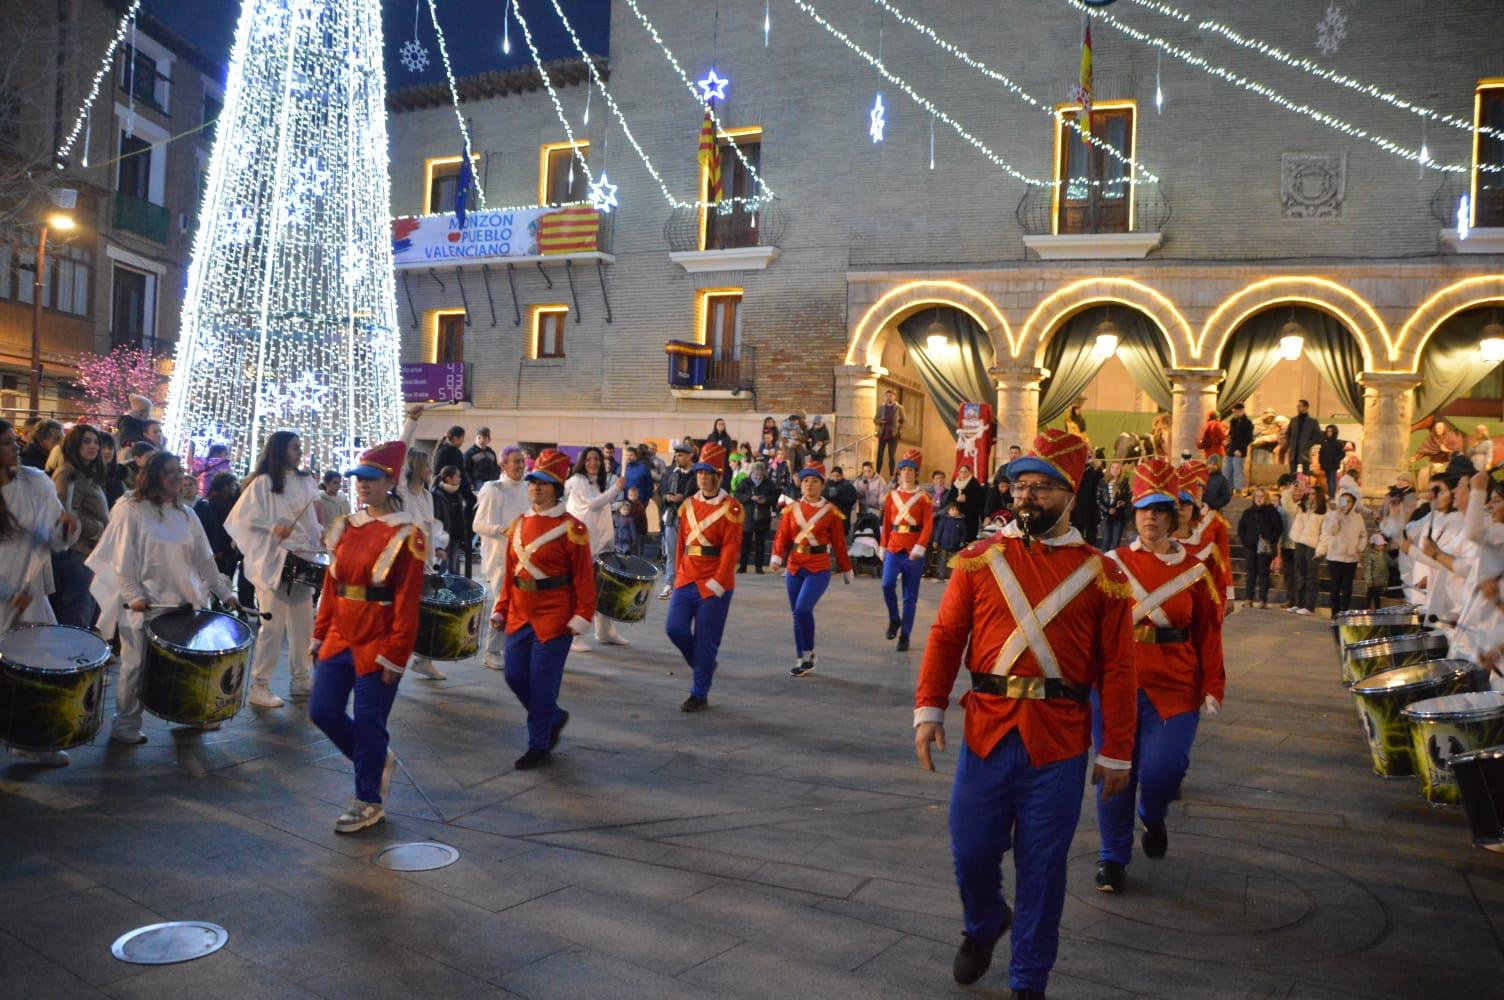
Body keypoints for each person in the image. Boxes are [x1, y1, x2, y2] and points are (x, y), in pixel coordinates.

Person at [913, 429, 1136, 996]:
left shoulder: (1103, 575)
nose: (1026, 496)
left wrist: (1116, 752)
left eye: (1041, 487)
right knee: (970, 850)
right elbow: (944, 637)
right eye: (1019, 485)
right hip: (987, 730)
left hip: (1059, 742)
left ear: (1070, 493)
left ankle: (1029, 979)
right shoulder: (977, 560)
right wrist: (929, 707)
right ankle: (986, 922)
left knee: (1043, 869)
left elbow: (1118, 670)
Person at [1095, 457, 1223, 894]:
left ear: (1173, 516)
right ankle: (1112, 857)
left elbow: (1208, 630)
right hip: (1115, 685)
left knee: (1164, 772)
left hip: (1176, 684)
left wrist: (1213, 684)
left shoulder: (1195, 570)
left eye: (1159, 509)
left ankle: (1152, 815)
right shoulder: (1109, 565)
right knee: (1114, 773)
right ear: (1134, 515)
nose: (1150, 517)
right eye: (1143, 509)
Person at [309, 439, 426, 833]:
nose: (362, 485)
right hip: (340, 634)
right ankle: (376, 760)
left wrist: (396, 654)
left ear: (389, 481)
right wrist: (319, 633)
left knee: (370, 719)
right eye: (358, 478)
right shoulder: (346, 525)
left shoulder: (407, 533)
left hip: (378, 639)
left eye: (371, 479)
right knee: (322, 711)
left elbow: (408, 600)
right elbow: (332, 584)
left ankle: (367, 800)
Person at [88, 451, 238, 745]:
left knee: (191, 666)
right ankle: (126, 723)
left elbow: (205, 561)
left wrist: (226, 592)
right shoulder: (131, 508)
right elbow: (122, 559)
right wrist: (133, 596)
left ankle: (194, 712)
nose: (177, 476)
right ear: (153, 475)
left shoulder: (187, 513)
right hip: (144, 605)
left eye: (179, 470)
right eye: (169, 471)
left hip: (183, 603)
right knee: (135, 666)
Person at [487, 449, 596, 769]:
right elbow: (511, 574)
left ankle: (539, 743)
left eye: (544, 482)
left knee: (542, 682)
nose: (535, 487)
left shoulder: (572, 529)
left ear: (556, 487)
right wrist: (501, 609)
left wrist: (583, 614)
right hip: (520, 613)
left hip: (556, 615)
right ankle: (553, 716)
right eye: (533, 481)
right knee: (514, 674)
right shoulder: (518, 524)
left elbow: (584, 578)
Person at [226, 430, 325, 707]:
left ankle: (301, 678)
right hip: (274, 560)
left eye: (300, 447)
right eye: (295, 447)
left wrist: (321, 535)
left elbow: (313, 520)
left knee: (304, 624)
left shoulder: (306, 481)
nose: (300, 452)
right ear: (280, 449)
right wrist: (273, 528)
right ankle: (260, 685)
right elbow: (241, 520)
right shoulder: (263, 483)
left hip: (303, 560)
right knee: (272, 627)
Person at [665, 442, 744, 711]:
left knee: (706, 640)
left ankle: (699, 692)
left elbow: (731, 548)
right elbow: (681, 544)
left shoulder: (731, 507)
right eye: (699, 472)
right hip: (686, 578)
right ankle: (702, 663)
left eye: (708, 473)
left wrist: (720, 579)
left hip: (714, 583)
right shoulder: (687, 505)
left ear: (718, 475)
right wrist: (676, 575)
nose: (703, 477)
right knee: (674, 628)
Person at [770, 463, 852, 676]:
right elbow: (782, 536)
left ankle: (807, 653)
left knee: (802, 609)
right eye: (806, 481)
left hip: (818, 567)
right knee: (797, 613)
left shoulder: (831, 512)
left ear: (822, 485)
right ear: (801, 484)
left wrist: (846, 568)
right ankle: (803, 657)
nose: (809, 485)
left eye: (814, 481)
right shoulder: (791, 509)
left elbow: (839, 543)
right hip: (795, 565)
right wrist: (777, 556)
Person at [473, 445, 530, 670]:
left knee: (521, 602)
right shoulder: (493, 489)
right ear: (503, 464)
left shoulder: (527, 488)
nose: (519, 466)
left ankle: (513, 647)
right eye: (514, 461)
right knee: (502, 602)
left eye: (521, 461)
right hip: (499, 555)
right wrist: (502, 529)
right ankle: (491, 650)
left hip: (523, 555)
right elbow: (477, 524)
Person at [564, 446, 627, 649]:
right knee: (584, 591)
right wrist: (616, 489)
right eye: (589, 459)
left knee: (605, 588)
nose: (594, 463)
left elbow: (600, 508)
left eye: (597, 459)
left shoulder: (596, 482)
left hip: (601, 544)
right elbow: (592, 505)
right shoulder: (577, 481)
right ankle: (575, 636)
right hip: (585, 545)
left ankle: (605, 631)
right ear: (582, 461)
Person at [49, 424, 110, 629]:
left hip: (89, 553)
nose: (93, 446)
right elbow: (64, 516)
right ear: (74, 444)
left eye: (96, 442)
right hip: (75, 553)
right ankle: (71, 658)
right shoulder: (68, 474)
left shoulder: (86, 475)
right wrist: (100, 529)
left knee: (88, 610)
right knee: (76, 614)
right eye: (86, 441)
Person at [881, 449, 934, 652]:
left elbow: (928, 525)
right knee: (886, 585)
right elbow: (886, 523)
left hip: (913, 550)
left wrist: (920, 548)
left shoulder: (924, 498)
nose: (906, 473)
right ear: (899, 472)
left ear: (916, 473)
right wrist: (883, 546)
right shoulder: (891, 496)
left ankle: (905, 635)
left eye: (910, 469)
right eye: (903, 469)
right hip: (894, 547)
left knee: (910, 596)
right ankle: (894, 619)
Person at [1173, 462, 1236, 614]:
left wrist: (1229, 593)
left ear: (1204, 488)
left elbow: (1224, 559)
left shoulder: (1216, 522)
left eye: (1198, 485)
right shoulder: (1171, 517)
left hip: (1205, 588)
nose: (1194, 489)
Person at [657, 442, 697, 596]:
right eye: (676, 454)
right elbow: (662, 492)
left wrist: (683, 498)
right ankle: (669, 583)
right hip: (672, 517)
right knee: (671, 551)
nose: (677, 457)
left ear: (689, 456)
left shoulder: (696, 473)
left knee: (689, 552)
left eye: (681, 455)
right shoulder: (671, 473)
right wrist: (667, 497)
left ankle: (686, 582)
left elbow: (699, 495)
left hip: (690, 519)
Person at [1321, 487, 1366, 616]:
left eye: (1348, 501)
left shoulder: (1358, 517)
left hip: (1351, 558)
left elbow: (1363, 535)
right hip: (1335, 557)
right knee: (1335, 586)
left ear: (1353, 503)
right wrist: (1337, 515)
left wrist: (1360, 547)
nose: (1345, 503)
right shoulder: (1332, 514)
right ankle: (1334, 612)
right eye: (1343, 500)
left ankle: (1344, 611)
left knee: (1347, 587)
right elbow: (1330, 531)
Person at [1237, 487, 1282, 608]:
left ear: (1266, 498)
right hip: (1250, 547)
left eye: (1261, 496)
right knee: (1251, 573)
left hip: (1264, 547)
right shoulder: (1248, 513)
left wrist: (1270, 539)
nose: (1259, 498)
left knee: (1263, 573)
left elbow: (1278, 529)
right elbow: (1241, 529)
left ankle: (1263, 600)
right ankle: (1249, 598)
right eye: (1257, 496)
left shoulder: (1272, 512)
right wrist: (1246, 541)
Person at [1288, 487, 1326, 616]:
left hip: (1313, 546)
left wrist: (1320, 550)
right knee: (1300, 575)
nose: (1311, 496)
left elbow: (1325, 533)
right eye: (1309, 494)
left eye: (1314, 494)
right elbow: (1287, 504)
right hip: (1299, 543)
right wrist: (1291, 489)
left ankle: (1309, 606)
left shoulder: (1324, 511)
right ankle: (1299, 604)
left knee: (1311, 577)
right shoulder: (1301, 508)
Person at [735, 460, 776, 573]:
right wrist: (748, 498)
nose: (758, 477)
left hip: (762, 516)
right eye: (756, 475)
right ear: (751, 473)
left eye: (760, 475)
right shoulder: (744, 482)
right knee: (745, 543)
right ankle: (743, 566)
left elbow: (774, 497)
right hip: (747, 516)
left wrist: (765, 500)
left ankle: (759, 567)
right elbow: (737, 495)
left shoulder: (769, 484)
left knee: (760, 543)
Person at [432, 466, 468, 575]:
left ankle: (452, 591)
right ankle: (438, 590)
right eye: (457, 476)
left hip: (456, 536)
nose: (459, 479)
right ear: (448, 478)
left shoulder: (457, 494)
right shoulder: (436, 495)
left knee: (453, 568)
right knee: (441, 568)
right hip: (443, 537)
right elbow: (436, 518)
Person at [946, 464, 987, 543]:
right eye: (961, 472)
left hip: (970, 517)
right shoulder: (955, 484)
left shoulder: (974, 484)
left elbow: (980, 500)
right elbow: (949, 500)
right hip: (956, 516)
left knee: (969, 539)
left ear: (969, 473)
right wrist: (956, 499)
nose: (963, 474)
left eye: (965, 472)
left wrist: (966, 499)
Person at [1097, 460, 1131, 552]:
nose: (1115, 470)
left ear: (1121, 470)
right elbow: (1098, 499)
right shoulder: (1102, 482)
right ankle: (1104, 560)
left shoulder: (1124, 483)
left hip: (1119, 516)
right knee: (1106, 540)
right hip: (1106, 515)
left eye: (1117, 468)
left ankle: (1113, 562)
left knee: (1116, 541)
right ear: (1109, 469)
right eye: (1113, 467)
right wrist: (1107, 510)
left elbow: (1128, 498)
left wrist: (1124, 503)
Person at [1071, 457, 1104, 548]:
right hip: (1078, 505)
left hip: (1092, 505)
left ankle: (1090, 550)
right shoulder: (1076, 470)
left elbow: (1100, 484)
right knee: (1077, 529)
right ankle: (1077, 550)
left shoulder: (1095, 470)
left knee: (1091, 531)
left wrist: (1098, 467)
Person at [873, 389, 906, 476]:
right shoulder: (881, 407)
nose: (889, 397)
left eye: (891, 396)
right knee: (880, 454)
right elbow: (875, 419)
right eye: (887, 395)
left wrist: (899, 429)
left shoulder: (899, 408)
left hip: (893, 434)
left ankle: (891, 475)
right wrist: (880, 421)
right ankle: (877, 473)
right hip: (883, 433)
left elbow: (904, 420)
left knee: (891, 455)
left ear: (894, 396)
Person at [932, 502, 966, 582]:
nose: (954, 511)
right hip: (944, 544)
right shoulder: (943, 520)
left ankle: (953, 578)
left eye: (956, 510)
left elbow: (963, 534)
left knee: (954, 562)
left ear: (958, 512)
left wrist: (962, 542)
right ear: (948, 511)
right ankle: (941, 577)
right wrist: (936, 541)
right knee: (942, 560)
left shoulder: (961, 522)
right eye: (952, 510)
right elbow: (939, 531)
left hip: (956, 545)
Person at [1286, 400, 1321, 475]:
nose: (1298, 408)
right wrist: (1290, 444)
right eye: (1297, 406)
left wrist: (1308, 444)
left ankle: (1305, 486)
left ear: (1306, 407)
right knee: (1292, 473)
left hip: (1305, 451)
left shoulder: (1313, 421)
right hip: (1294, 451)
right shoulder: (1293, 420)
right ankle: (1293, 485)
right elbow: (1288, 433)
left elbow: (1318, 435)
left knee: (1305, 473)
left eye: (1300, 406)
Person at [1225, 403, 1253, 493]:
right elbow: (1231, 433)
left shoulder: (1247, 423)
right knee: (1227, 470)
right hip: (1231, 449)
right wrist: (1228, 440)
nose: (1234, 414)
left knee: (1238, 471)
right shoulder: (1233, 420)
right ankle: (1228, 489)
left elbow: (1248, 438)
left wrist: (1240, 449)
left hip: (1239, 451)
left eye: (1235, 412)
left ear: (1241, 411)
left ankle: (1238, 490)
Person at [1361, 533, 1391, 610]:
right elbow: (1368, 569)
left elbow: (1391, 562)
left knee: (1377, 596)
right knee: (1370, 594)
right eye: (1380, 545)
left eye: (1382, 545)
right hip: (1373, 580)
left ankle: (1377, 609)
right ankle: (1367, 608)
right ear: (1374, 545)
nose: (1382, 546)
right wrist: (1369, 580)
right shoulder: (1370, 555)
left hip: (1381, 580)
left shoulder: (1384, 554)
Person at [100, 433, 127, 508]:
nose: (107, 451)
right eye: (103, 448)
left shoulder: (119, 473)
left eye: (110, 448)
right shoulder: (90, 476)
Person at [1317, 425, 1345, 497]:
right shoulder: (1324, 442)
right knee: (1329, 481)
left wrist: (1336, 460)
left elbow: (1342, 454)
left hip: (1333, 465)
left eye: (1330, 431)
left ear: (1334, 432)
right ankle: (1330, 495)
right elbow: (1321, 452)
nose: (1329, 433)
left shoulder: (1338, 443)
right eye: (1328, 431)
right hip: (1326, 464)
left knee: (1332, 480)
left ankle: (1332, 496)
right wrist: (1320, 461)